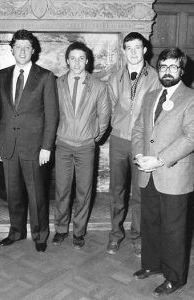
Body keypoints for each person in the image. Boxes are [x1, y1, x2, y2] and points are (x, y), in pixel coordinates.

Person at [132, 48, 194, 297]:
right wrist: (138, 155)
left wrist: (158, 160)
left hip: (173, 175)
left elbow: (191, 138)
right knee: (151, 223)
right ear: (158, 70)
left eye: (173, 67)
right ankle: (152, 264)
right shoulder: (150, 95)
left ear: (181, 70)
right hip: (147, 173)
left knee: (174, 229)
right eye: (163, 67)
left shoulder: (190, 98)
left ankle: (175, 277)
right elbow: (138, 130)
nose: (167, 71)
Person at [0, 29, 58, 252]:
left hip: (35, 147)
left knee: (37, 194)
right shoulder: (2, 75)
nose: (22, 51)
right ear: (11, 50)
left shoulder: (46, 76)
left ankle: (40, 235)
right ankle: (16, 231)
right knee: (13, 192)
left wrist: (47, 146)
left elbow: (52, 115)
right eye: (18, 47)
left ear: (34, 50)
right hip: (8, 144)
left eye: (27, 47)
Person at [52, 41, 110, 249]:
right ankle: (60, 229)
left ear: (87, 61)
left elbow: (104, 118)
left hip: (86, 146)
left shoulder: (99, 86)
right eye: (73, 58)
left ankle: (78, 231)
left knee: (84, 190)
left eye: (81, 58)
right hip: (63, 145)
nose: (77, 62)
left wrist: (94, 137)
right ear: (67, 61)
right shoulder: (57, 84)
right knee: (62, 189)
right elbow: (51, 114)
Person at [107, 32, 160, 257]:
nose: (133, 52)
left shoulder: (156, 76)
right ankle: (115, 235)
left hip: (142, 142)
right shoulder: (115, 77)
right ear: (123, 50)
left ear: (145, 49)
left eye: (137, 47)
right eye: (128, 48)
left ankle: (138, 236)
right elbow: (109, 107)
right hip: (118, 140)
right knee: (117, 190)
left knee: (139, 193)